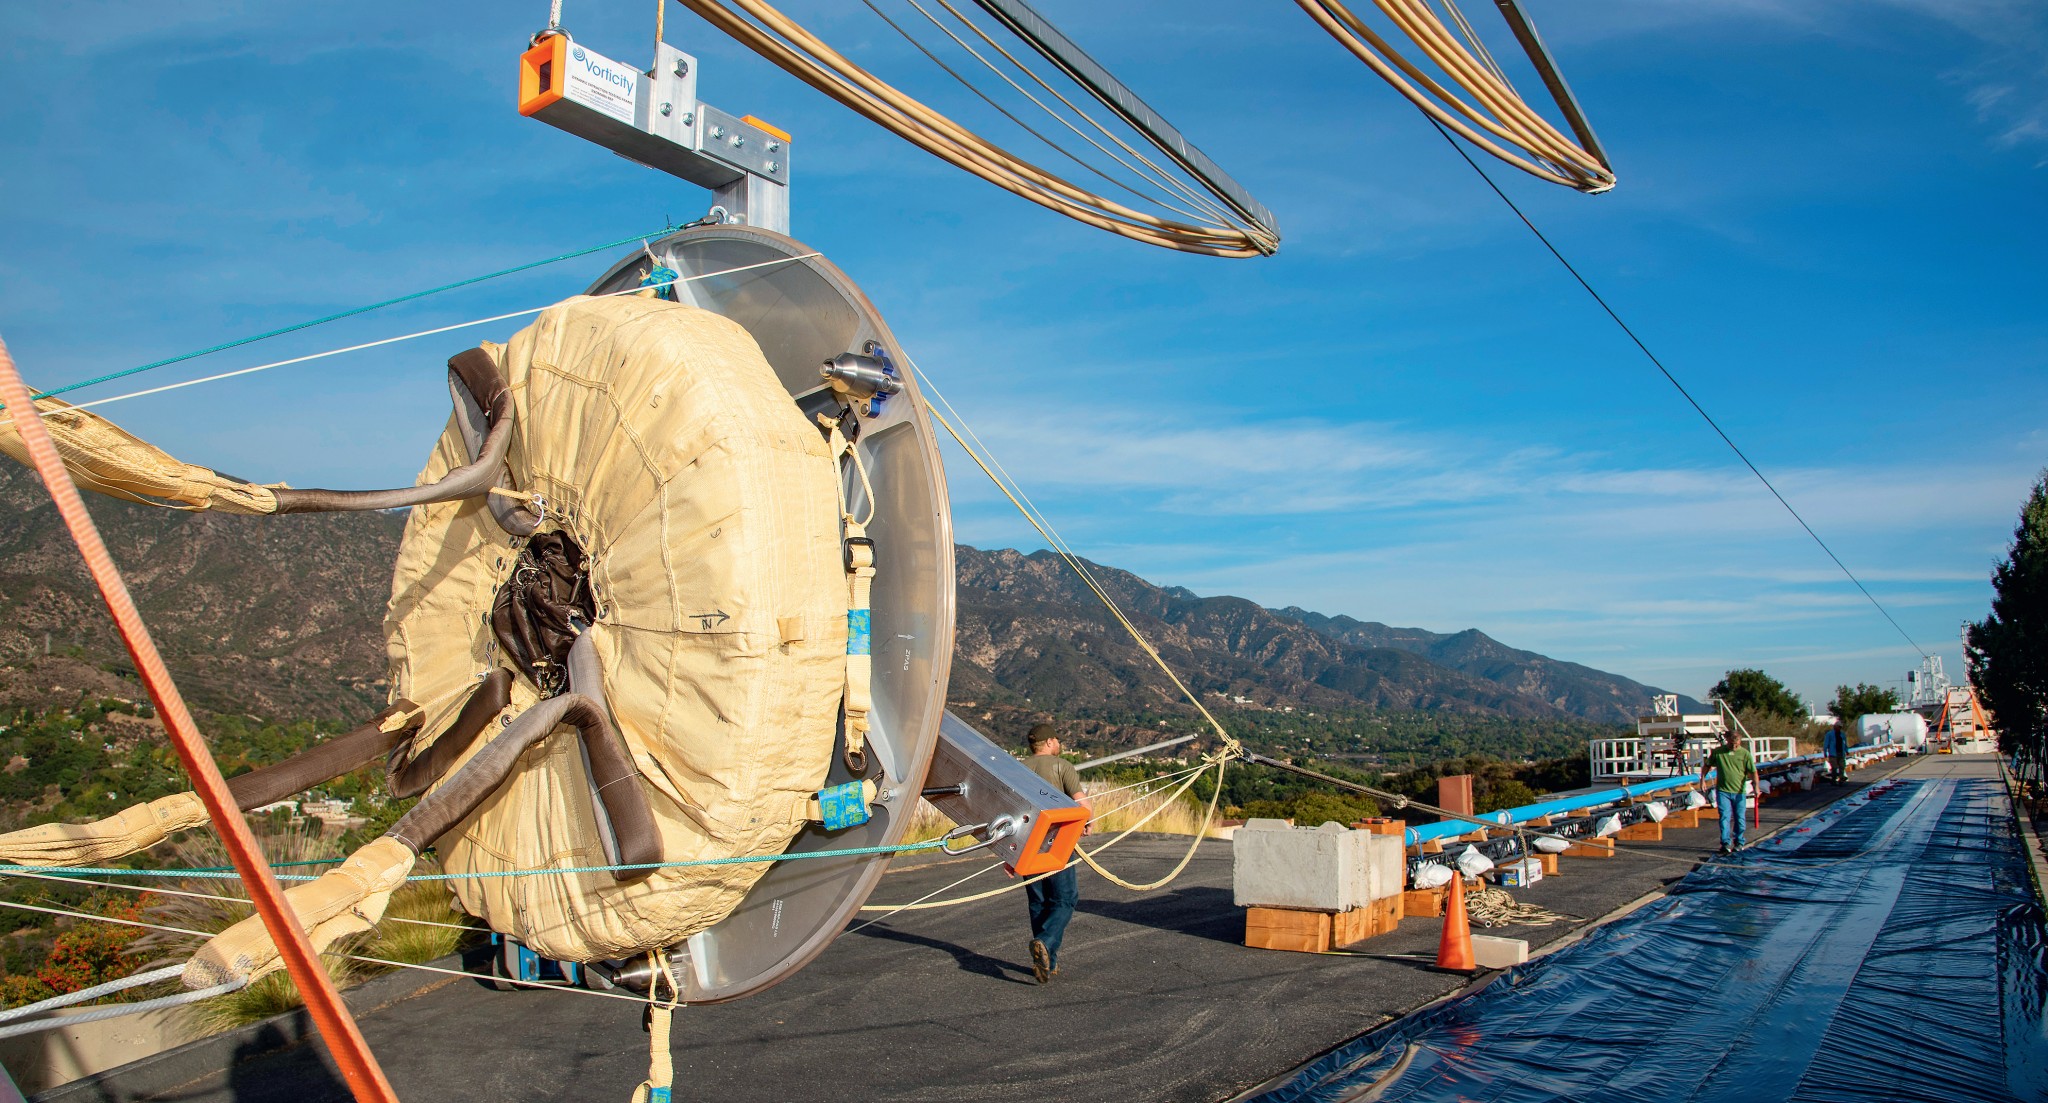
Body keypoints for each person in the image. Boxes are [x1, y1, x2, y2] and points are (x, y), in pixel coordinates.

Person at [1021, 722, 1091, 984]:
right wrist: (1088, 821)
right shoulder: (1062, 766)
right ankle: (1045, 941)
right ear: (1050, 742)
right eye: (1057, 740)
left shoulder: (1019, 769)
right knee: (1065, 899)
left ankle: (1049, 960)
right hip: (1056, 844)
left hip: (1027, 844)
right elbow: (1082, 804)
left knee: (1038, 901)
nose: (1059, 744)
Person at [1701, 727, 1758, 854]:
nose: (1734, 746)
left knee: (1740, 817)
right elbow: (1707, 766)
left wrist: (1756, 786)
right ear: (1727, 740)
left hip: (1739, 791)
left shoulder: (1745, 754)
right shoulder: (1718, 752)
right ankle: (1725, 843)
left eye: (1736, 744)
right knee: (1724, 817)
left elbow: (1753, 772)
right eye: (1732, 743)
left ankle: (1739, 842)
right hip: (1723, 790)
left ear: (1740, 741)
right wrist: (1702, 780)